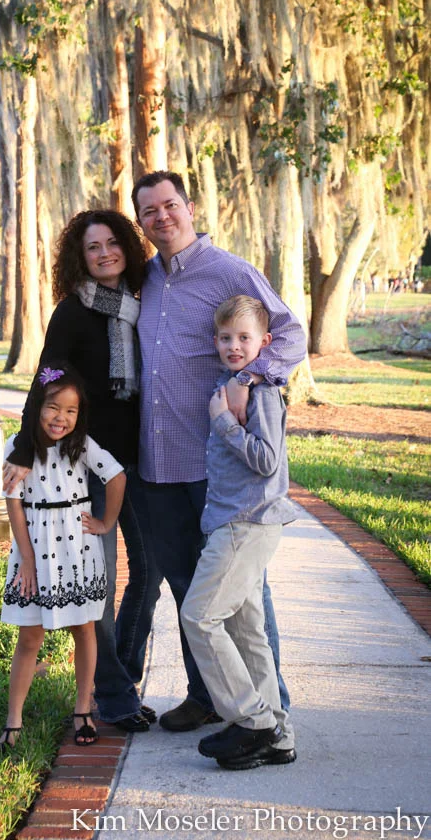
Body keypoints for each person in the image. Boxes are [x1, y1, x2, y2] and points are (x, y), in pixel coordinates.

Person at [132, 171, 308, 732]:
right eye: (149, 211)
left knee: (244, 594)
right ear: (141, 222)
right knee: (188, 586)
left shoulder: (230, 271)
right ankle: (209, 695)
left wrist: (250, 378)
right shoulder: (145, 279)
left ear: (189, 207)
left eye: (170, 205)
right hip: (158, 464)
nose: (162, 216)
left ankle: (270, 709)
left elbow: (290, 334)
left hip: (217, 466)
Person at [3, 210, 162, 733]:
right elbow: (47, 376)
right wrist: (24, 445)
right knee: (101, 584)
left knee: (150, 573)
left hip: (140, 460)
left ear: (127, 249)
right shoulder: (72, 313)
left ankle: (120, 676)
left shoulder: (143, 306)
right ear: (80, 257)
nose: (104, 253)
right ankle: (113, 696)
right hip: (90, 465)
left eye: (112, 243)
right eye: (93, 247)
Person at [181, 296, 300, 769]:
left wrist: (225, 424)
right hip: (234, 521)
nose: (234, 346)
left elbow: (268, 461)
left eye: (244, 338)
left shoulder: (262, 393)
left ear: (264, 342)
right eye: (226, 338)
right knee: (246, 629)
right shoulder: (232, 385)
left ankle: (253, 722)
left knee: (199, 616)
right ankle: (277, 734)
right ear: (215, 341)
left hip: (246, 522)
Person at [0, 363, 126, 750]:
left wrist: (106, 522)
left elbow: (116, 476)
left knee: (84, 629)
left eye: (71, 411)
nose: (61, 418)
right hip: (34, 548)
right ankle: (14, 719)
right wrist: (27, 559)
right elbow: (14, 504)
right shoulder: (18, 448)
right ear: (37, 405)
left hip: (76, 548)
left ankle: (83, 709)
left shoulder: (81, 445)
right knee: (30, 635)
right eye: (54, 407)